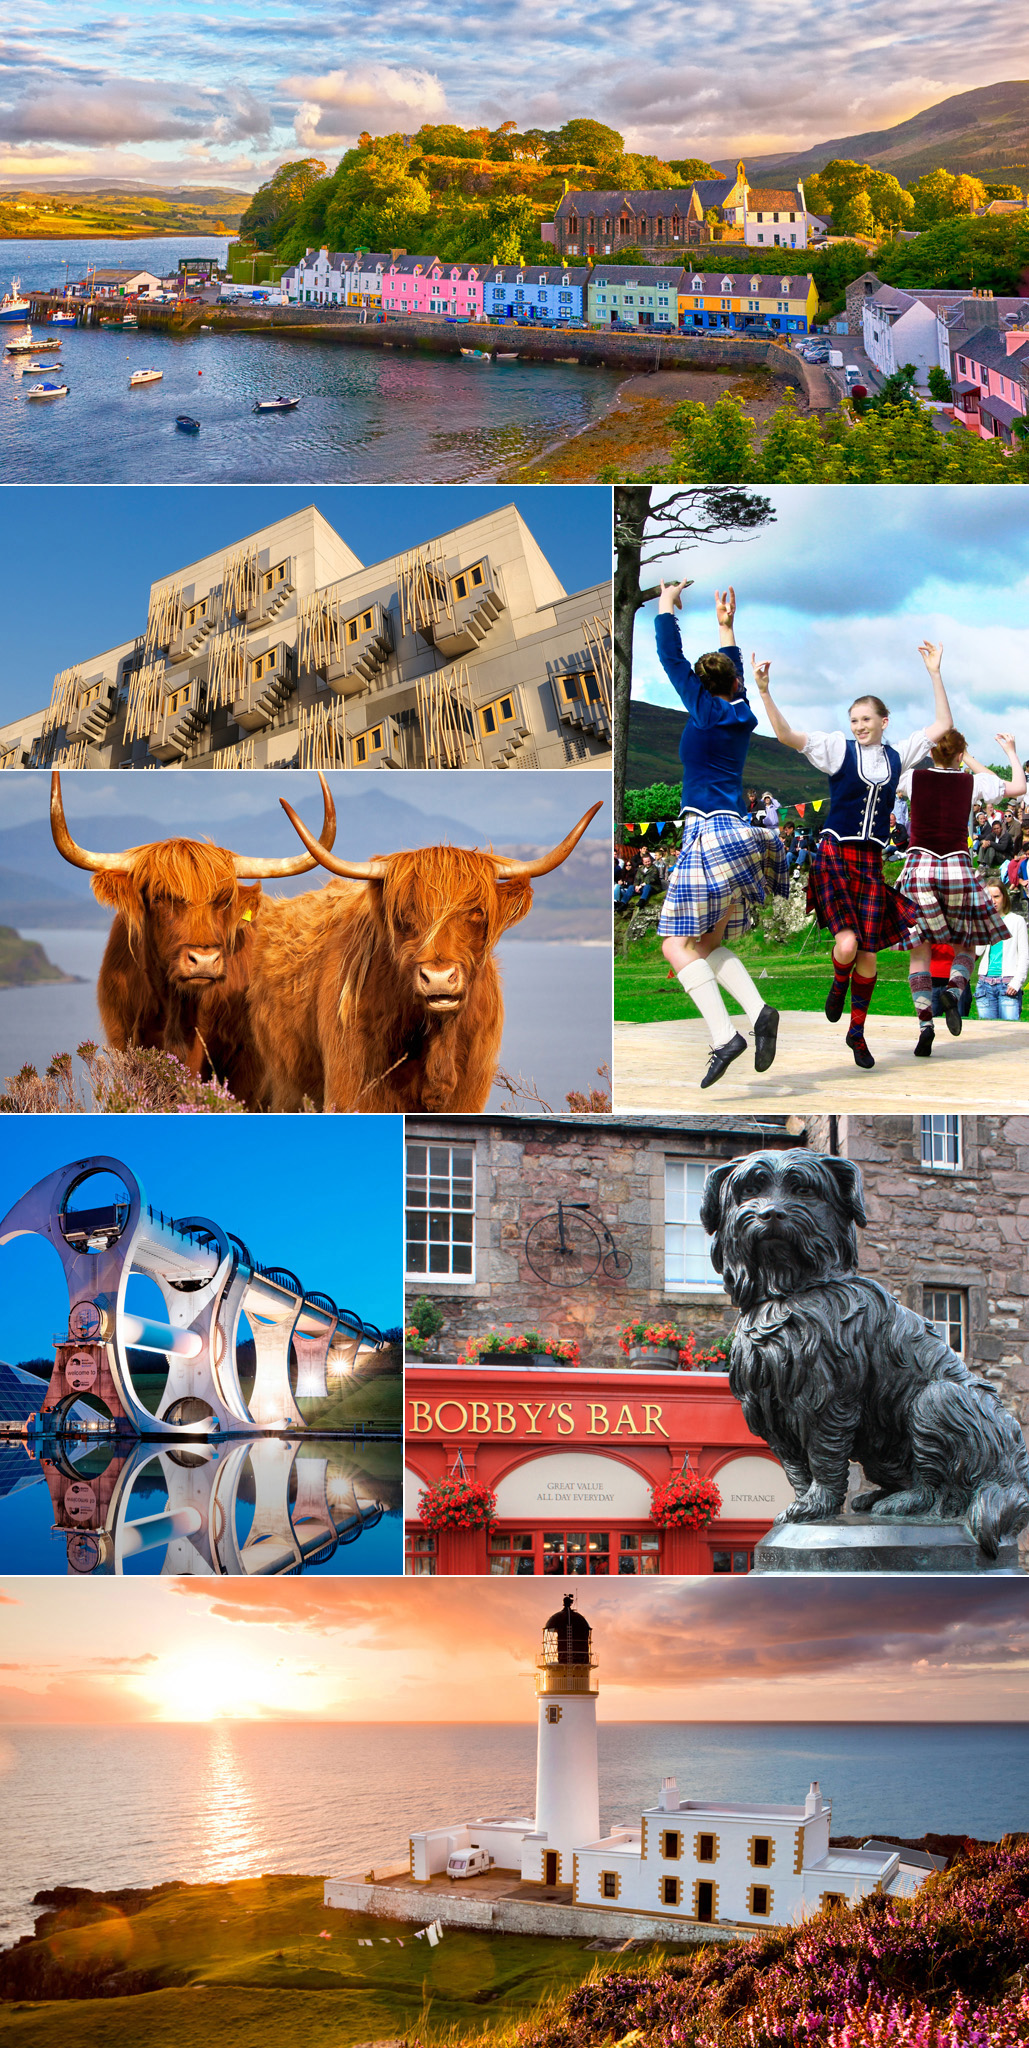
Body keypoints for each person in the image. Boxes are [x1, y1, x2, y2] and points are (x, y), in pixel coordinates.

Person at [753, 641, 953, 1069]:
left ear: (884, 721)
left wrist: (935, 672)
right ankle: (838, 981)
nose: (859, 726)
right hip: (834, 855)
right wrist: (765, 691)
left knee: (869, 953)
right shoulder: (837, 749)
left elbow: (942, 724)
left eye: (866, 719)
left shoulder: (900, 755)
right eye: (854, 720)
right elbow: (787, 736)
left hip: (870, 862)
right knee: (847, 944)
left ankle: (857, 1033)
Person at [654, 580, 786, 1089]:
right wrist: (727, 627)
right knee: (705, 944)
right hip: (739, 837)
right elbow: (728, 675)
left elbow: (671, 657)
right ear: (735, 684)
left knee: (674, 945)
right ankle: (758, 1013)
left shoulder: (705, 712)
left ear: (704, 689)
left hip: (706, 837)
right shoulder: (742, 714)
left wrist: (666, 602)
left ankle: (723, 1036)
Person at [897, 724, 1024, 1053]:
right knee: (966, 946)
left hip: (919, 867)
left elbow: (889, 778)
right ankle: (954, 990)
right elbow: (1018, 787)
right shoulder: (972, 781)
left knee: (919, 954)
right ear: (960, 754)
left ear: (931, 753)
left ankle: (925, 1023)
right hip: (956, 867)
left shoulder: (912, 778)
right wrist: (1007, 752)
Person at [975, 879, 1029, 1019]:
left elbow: (1024, 955)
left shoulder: (1017, 921)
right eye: (989, 897)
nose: (993, 901)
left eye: (996, 896)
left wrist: (1017, 982)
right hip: (985, 985)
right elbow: (977, 951)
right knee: (987, 1034)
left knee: (1009, 1032)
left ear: (1004, 897)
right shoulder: (984, 921)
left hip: (1008, 984)